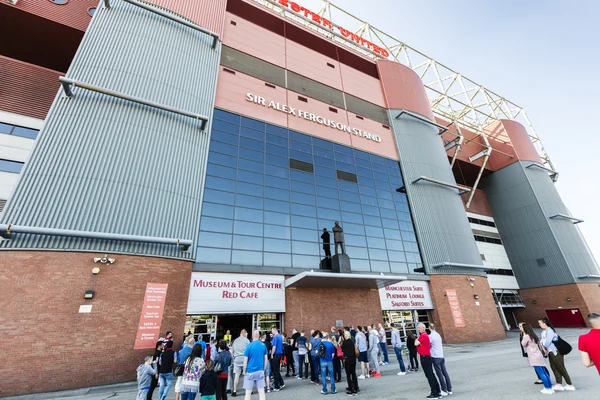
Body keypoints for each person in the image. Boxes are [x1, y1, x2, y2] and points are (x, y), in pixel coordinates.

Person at [538, 317, 576, 391]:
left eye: (540, 323)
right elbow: (542, 341)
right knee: (554, 367)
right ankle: (559, 384)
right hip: (549, 352)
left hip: (555, 351)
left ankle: (570, 384)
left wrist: (543, 347)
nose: (539, 324)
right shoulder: (544, 332)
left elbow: (548, 342)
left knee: (561, 367)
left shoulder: (550, 331)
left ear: (544, 323)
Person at [521, 322, 554, 395]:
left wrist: (523, 335)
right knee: (544, 372)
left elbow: (523, 344)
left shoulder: (526, 336)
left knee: (541, 373)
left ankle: (547, 388)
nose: (521, 329)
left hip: (533, 356)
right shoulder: (533, 335)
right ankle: (550, 387)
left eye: (522, 327)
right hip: (539, 355)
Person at [415, 323, 441, 399]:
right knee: (431, 374)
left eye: (419, 328)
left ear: (423, 328)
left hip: (424, 357)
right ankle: (437, 391)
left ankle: (434, 393)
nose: (418, 329)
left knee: (429, 375)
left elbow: (416, 343)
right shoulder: (425, 336)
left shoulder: (423, 336)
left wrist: (417, 340)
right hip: (427, 357)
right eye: (418, 328)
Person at [243, 330, 269, 400]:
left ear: (252, 336)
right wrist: (264, 368)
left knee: (248, 393)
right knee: (261, 392)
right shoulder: (263, 345)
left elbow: (245, 359)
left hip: (250, 370)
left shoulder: (249, 346)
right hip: (260, 370)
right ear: (259, 336)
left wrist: (244, 370)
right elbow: (266, 358)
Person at [429, 323, 452, 396]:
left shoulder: (430, 336)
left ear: (429, 328)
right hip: (441, 355)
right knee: (445, 373)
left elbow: (428, 345)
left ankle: (444, 390)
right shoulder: (438, 335)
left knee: (439, 374)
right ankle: (449, 389)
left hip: (435, 356)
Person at [176, 336, 197, 400]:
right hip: (189, 373)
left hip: (181, 371)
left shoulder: (181, 351)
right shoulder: (193, 352)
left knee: (180, 387)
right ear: (193, 342)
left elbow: (178, 361)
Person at [231, 329, 250, 397]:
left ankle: (234, 391)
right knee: (246, 375)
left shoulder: (235, 341)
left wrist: (234, 358)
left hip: (237, 359)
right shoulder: (246, 340)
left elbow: (232, 351)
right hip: (244, 358)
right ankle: (247, 390)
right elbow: (249, 350)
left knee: (236, 376)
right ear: (244, 333)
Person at [341, 330, 359, 395]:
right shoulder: (352, 341)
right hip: (353, 358)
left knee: (348, 374)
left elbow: (341, 348)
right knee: (353, 373)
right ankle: (356, 387)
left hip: (347, 358)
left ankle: (351, 388)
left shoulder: (345, 342)